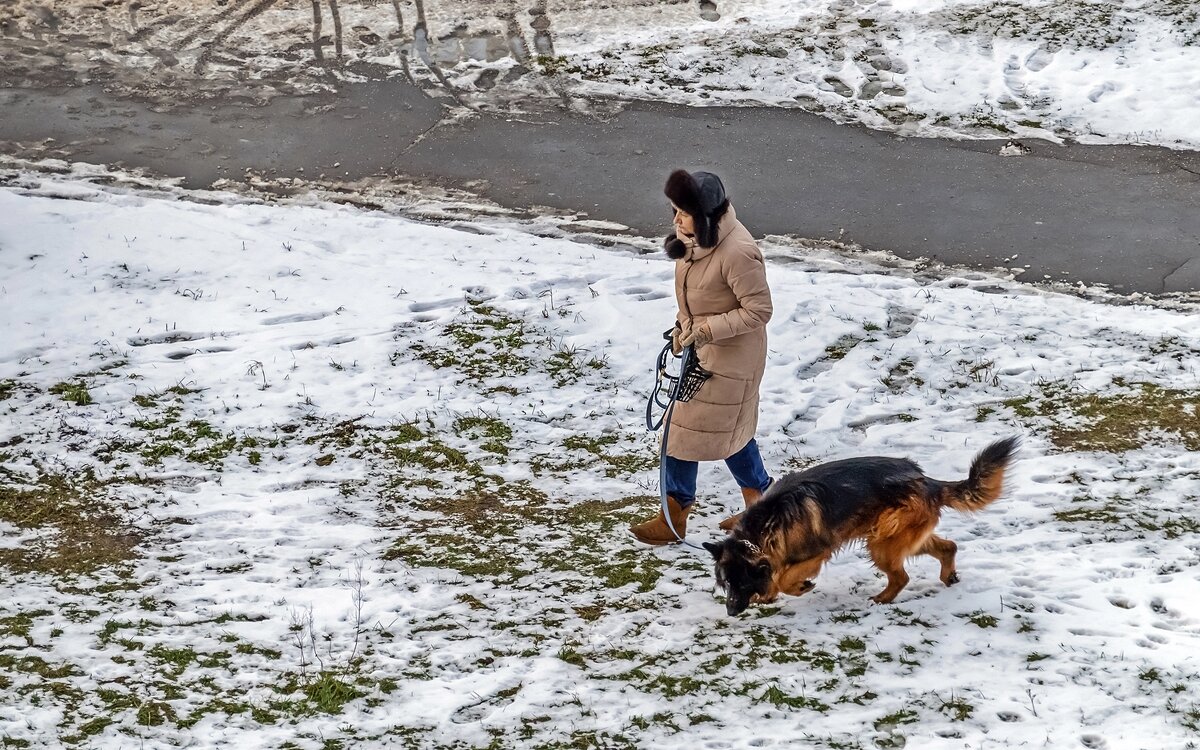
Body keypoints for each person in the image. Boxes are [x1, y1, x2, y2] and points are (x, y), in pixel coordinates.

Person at [630, 169, 774, 545]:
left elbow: (758, 310)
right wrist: (682, 328)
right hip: (704, 353)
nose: (675, 219)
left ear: (706, 216)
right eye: (673, 210)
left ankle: (676, 517)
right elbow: (695, 302)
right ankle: (759, 504)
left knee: (697, 431)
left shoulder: (738, 253)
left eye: (682, 212)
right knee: (714, 431)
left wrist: (707, 329)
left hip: (733, 359)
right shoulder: (694, 240)